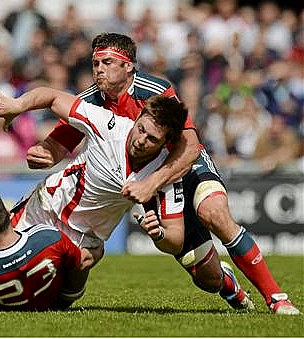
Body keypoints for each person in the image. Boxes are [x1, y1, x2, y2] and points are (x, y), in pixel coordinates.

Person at [26, 32, 299, 315]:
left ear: (128, 65)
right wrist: (43, 154)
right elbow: (56, 147)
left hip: (184, 164)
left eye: (106, 62)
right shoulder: (90, 101)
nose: (98, 69)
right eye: (95, 63)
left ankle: (277, 298)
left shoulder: (154, 89)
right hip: (146, 183)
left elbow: (190, 146)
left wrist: (150, 183)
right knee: (207, 277)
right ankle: (228, 284)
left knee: (213, 212)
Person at [0, 86, 192, 301]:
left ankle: (67, 292)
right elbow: (53, 97)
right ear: (138, 117)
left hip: (83, 239)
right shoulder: (109, 126)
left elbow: (176, 239)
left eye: (152, 139)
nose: (141, 140)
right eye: (141, 129)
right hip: (46, 208)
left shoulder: (164, 174)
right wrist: (18, 105)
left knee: (58, 299)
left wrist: (158, 233)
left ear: (166, 143)